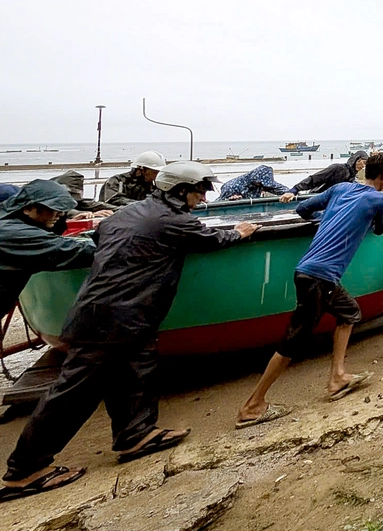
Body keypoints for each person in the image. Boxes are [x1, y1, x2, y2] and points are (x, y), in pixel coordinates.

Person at [2, 163, 257, 501]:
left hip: (120, 313)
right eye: (200, 191)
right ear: (181, 191)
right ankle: (23, 471)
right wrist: (239, 232)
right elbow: (212, 238)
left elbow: (99, 237)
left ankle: (135, 435)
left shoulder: (127, 214)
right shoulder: (173, 220)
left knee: (137, 371)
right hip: (113, 317)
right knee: (74, 393)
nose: (203, 197)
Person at [238, 154, 383, 428]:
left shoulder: (340, 189)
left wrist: (331, 217)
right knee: (292, 342)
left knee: (349, 313)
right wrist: (378, 218)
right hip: (319, 279)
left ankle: (338, 377)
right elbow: (381, 228)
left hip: (311, 272)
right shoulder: (380, 200)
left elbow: (303, 210)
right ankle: (252, 405)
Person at [0, 181, 97, 326]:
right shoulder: (17, 235)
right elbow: (73, 251)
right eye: (54, 208)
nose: (60, 214)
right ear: (28, 208)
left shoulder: (8, 220)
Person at [278, 150, 369, 202]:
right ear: (357, 160)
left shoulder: (352, 177)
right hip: (318, 198)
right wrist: (294, 190)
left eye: (366, 164)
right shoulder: (337, 168)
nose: (363, 166)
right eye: (363, 163)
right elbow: (314, 179)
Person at [99, 150, 165, 206]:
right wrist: (143, 205)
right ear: (141, 169)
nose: (156, 175)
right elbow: (113, 200)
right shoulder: (116, 181)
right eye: (154, 172)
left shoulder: (153, 186)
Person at [50, 170, 115, 220]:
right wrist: (86, 214)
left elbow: (95, 205)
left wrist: (121, 210)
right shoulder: (48, 203)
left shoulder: (79, 203)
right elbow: (61, 210)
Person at [217, 165, 290, 201]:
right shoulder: (231, 187)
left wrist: (292, 193)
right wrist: (231, 200)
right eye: (260, 183)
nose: (262, 185)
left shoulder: (264, 183)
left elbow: (281, 189)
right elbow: (218, 205)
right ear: (255, 179)